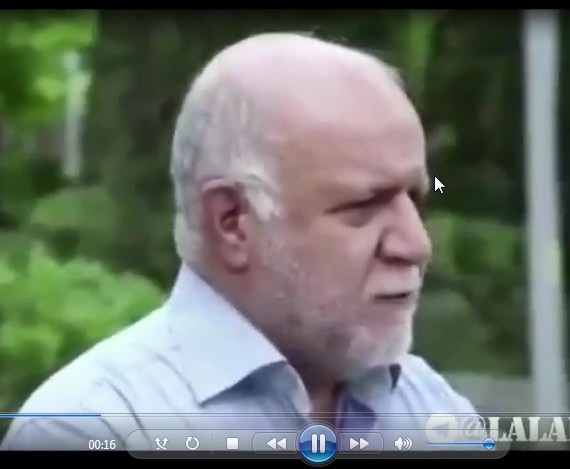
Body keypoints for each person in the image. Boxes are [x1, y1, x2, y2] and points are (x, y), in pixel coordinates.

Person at [1, 32, 476, 452]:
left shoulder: (435, 410)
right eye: (364, 205)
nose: (416, 244)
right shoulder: (93, 424)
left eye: (416, 199)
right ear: (232, 222)